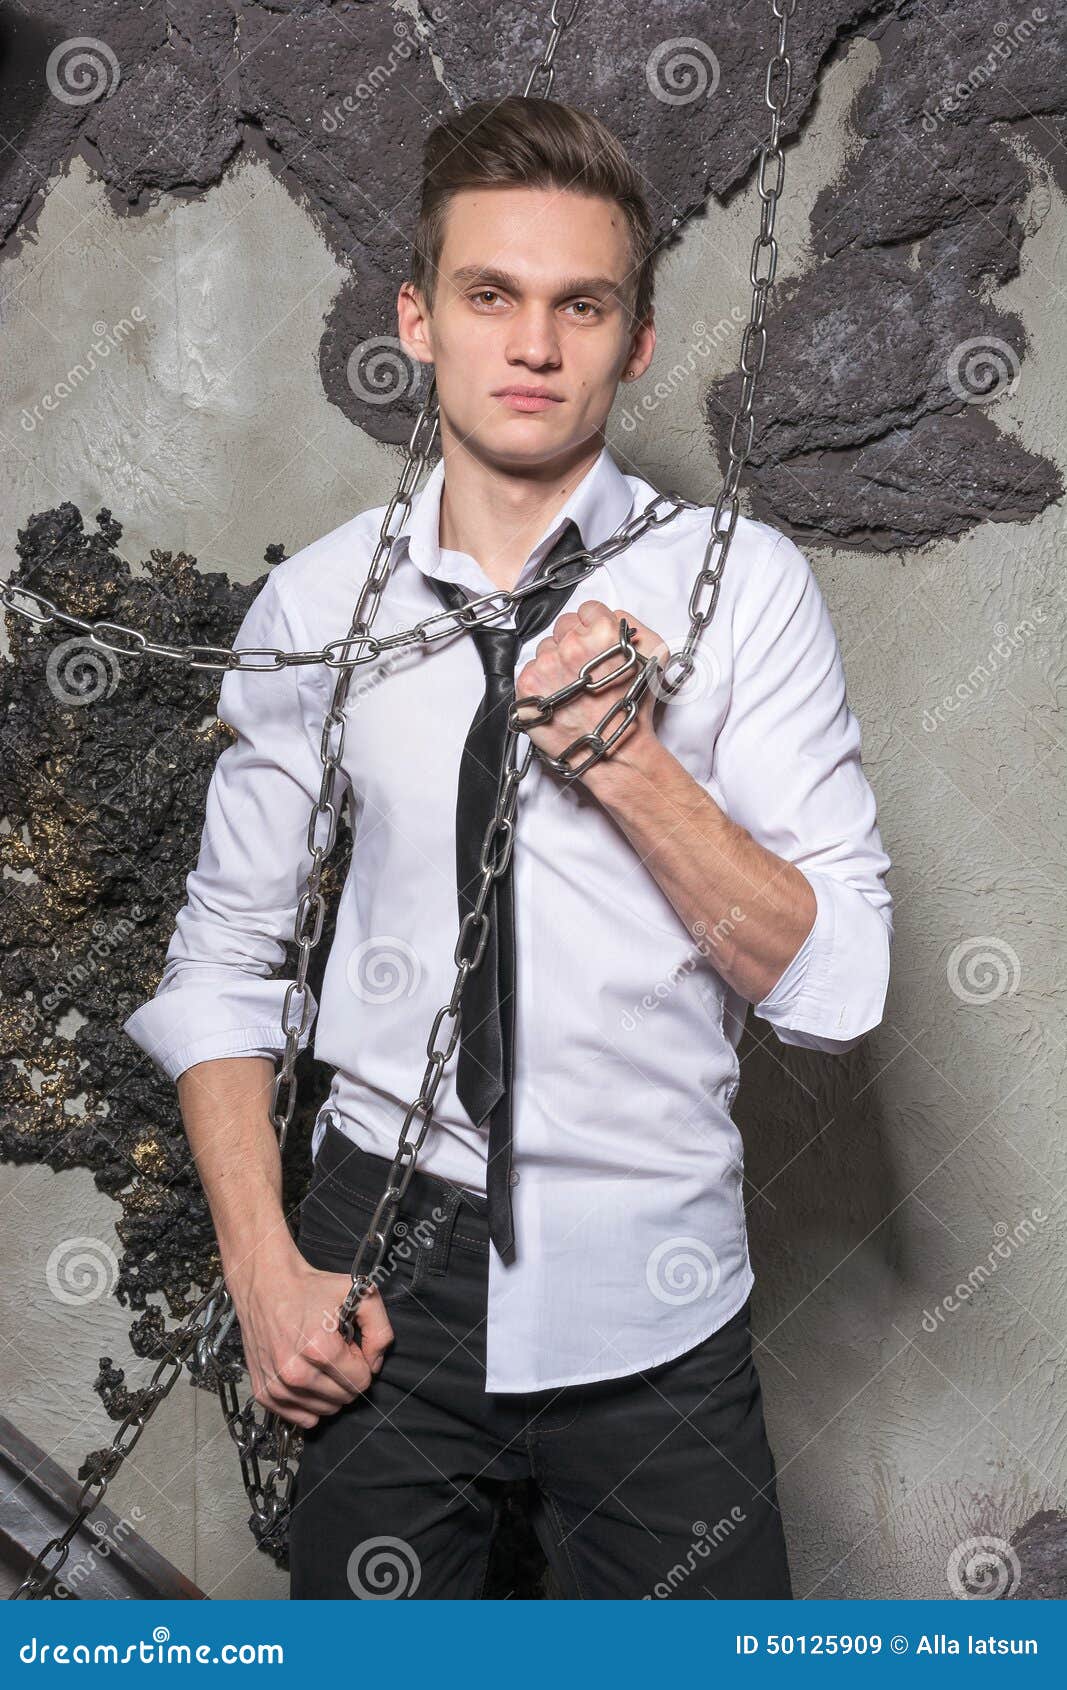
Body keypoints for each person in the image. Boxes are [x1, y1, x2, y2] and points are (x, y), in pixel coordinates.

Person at [123, 95, 893, 1601]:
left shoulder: (749, 590)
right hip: (379, 1280)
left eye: (580, 305)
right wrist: (265, 1270)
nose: (533, 345)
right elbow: (223, 960)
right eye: (491, 297)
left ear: (636, 342)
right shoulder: (320, 608)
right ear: (418, 320)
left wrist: (626, 761)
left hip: (655, 1290)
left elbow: (842, 983)